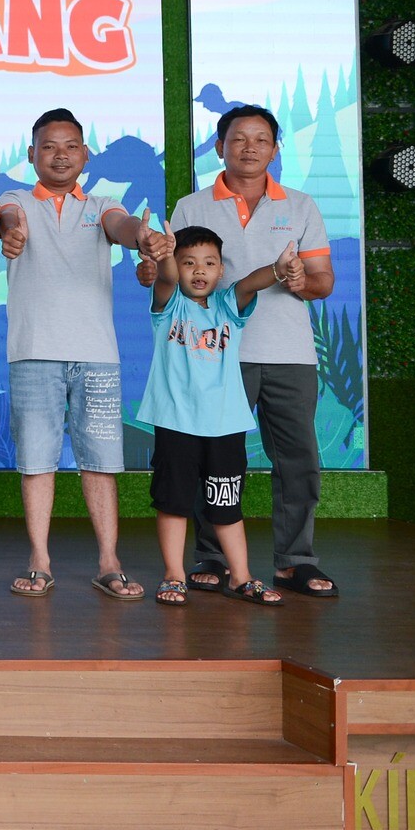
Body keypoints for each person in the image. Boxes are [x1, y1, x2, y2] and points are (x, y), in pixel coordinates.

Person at [164, 105, 338, 598]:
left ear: (275, 149)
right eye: (239, 138)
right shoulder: (191, 206)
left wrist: (302, 281)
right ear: (220, 146)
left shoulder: (301, 206)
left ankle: (295, 561)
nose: (249, 148)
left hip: (290, 354)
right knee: (215, 459)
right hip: (215, 353)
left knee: (299, 460)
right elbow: (177, 279)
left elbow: (324, 281)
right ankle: (212, 557)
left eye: (261, 139)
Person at [0, 108, 168, 601]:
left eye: (70, 146)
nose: (60, 155)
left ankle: (109, 562)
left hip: (97, 355)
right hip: (33, 352)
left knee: (101, 462)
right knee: (36, 462)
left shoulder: (102, 205)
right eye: (49, 147)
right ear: (32, 155)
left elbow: (122, 226)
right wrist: (11, 232)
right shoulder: (15, 200)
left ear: (86, 155)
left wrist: (143, 237)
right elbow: (7, 220)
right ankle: (39, 561)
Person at [141, 226, 295, 607]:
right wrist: (165, 255)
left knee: (227, 506)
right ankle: (174, 575)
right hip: (176, 424)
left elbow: (250, 284)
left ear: (220, 270)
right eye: (189, 263)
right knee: (173, 503)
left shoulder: (228, 307)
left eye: (209, 263)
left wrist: (278, 269)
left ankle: (241, 577)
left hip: (225, 427)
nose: (199, 271)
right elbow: (165, 278)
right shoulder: (169, 306)